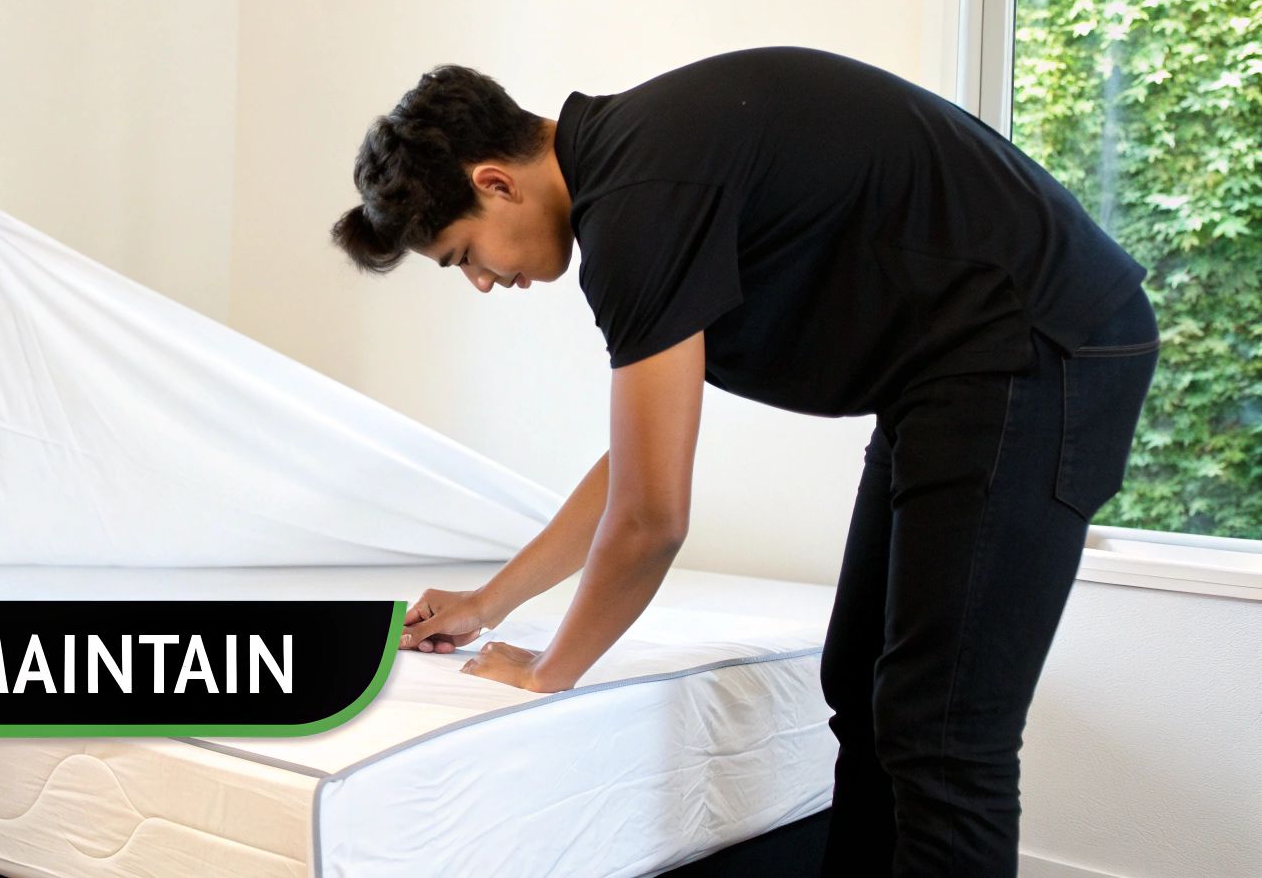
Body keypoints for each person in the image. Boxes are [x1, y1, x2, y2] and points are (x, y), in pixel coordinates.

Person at [332, 47, 1158, 876]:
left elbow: (651, 518)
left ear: (495, 183)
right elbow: (635, 464)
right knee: (861, 683)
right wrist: (490, 602)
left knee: (942, 729)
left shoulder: (638, 202)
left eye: (463, 255)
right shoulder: (635, 169)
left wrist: (552, 671)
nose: (481, 281)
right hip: (952, 369)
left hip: (1036, 344)